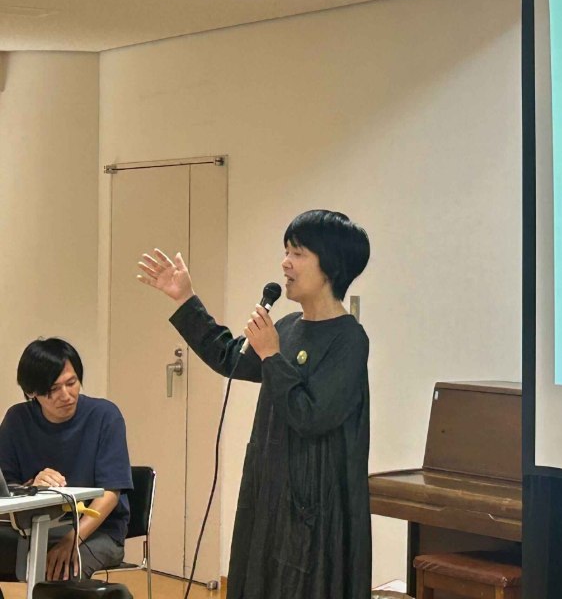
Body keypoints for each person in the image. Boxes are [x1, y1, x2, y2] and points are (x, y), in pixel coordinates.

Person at [137, 209, 371, 599]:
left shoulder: (349, 339)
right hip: (270, 486)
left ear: (330, 266)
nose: (285, 263)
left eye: (297, 254)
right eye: (286, 251)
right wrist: (185, 299)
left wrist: (272, 356)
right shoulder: (288, 327)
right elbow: (230, 358)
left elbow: (312, 416)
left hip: (316, 504)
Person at [0, 338, 132, 582]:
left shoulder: (104, 416)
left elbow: (110, 493)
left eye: (72, 383)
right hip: (31, 530)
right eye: (53, 389)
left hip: (96, 531)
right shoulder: (17, 420)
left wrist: (72, 540)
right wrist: (32, 486)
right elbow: (6, 490)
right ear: (32, 392)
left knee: (59, 571)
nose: (66, 395)